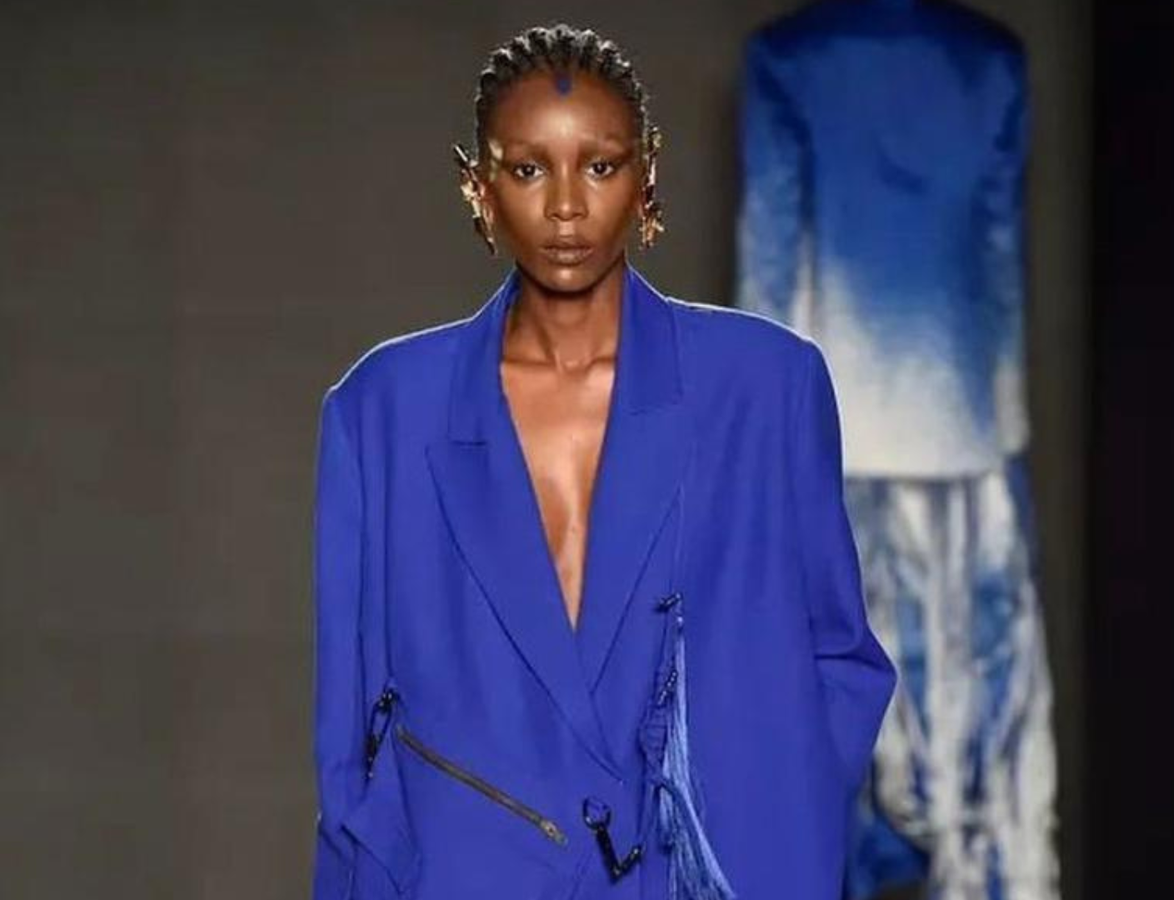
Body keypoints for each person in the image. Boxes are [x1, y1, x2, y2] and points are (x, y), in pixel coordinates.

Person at [310, 23, 895, 900]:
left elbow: (841, 662)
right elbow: (349, 731)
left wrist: (776, 838)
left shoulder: (766, 388)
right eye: (527, 169)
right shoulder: (383, 410)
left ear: (647, 173)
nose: (566, 207)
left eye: (600, 165)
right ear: (477, 185)